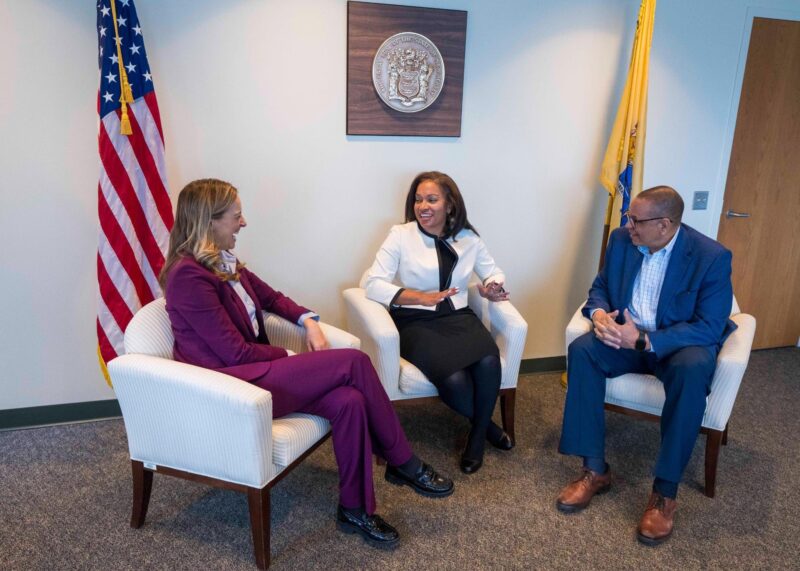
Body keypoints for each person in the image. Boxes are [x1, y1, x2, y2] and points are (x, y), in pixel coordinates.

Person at [160, 179, 454, 548]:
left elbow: (274, 299)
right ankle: (403, 462)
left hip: (254, 374)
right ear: (209, 221)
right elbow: (234, 353)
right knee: (354, 362)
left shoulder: (221, 261)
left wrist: (308, 321)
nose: (243, 223)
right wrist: (288, 356)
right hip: (231, 387)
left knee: (350, 401)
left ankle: (355, 509)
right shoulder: (188, 276)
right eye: (236, 216)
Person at [557, 186, 737, 546]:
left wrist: (645, 340)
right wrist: (600, 315)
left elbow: (710, 325)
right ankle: (594, 470)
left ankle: (665, 493)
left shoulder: (710, 256)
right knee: (583, 351)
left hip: (677, 345)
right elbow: (601, 287)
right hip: (626, 335)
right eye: (629, 217)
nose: (629, 225)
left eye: (636, 220)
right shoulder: (623, 241)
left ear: (665, 224)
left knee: (693, 370)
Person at [363, 171, 513, 475]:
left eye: (432, 199)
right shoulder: (400, 235)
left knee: (488, 360)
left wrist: (492, 287)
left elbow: (493, 271)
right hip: (415, 320)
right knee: (455, 381)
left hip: (456, 314)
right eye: (418, 200)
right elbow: (372, 283)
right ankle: (486, 427)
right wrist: (418, 296)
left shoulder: (468, 238)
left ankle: (475, 441)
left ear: (450, 205)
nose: (423, 206)